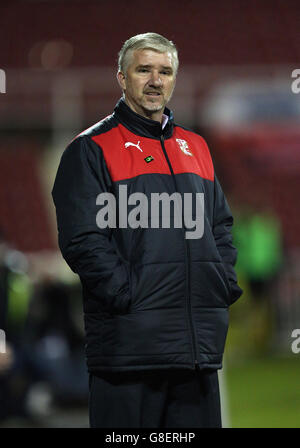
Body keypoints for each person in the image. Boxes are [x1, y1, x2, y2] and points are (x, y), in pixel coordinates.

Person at [52, 32, 243, 428]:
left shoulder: (197, 146)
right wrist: (128, 296)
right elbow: (83, 239)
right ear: (122, 77)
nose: (156, 80)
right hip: (129, 353)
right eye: (144, 70)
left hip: (196, 350)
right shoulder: (91, 149)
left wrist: (221, 282)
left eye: (165, 71)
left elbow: (220, 226)